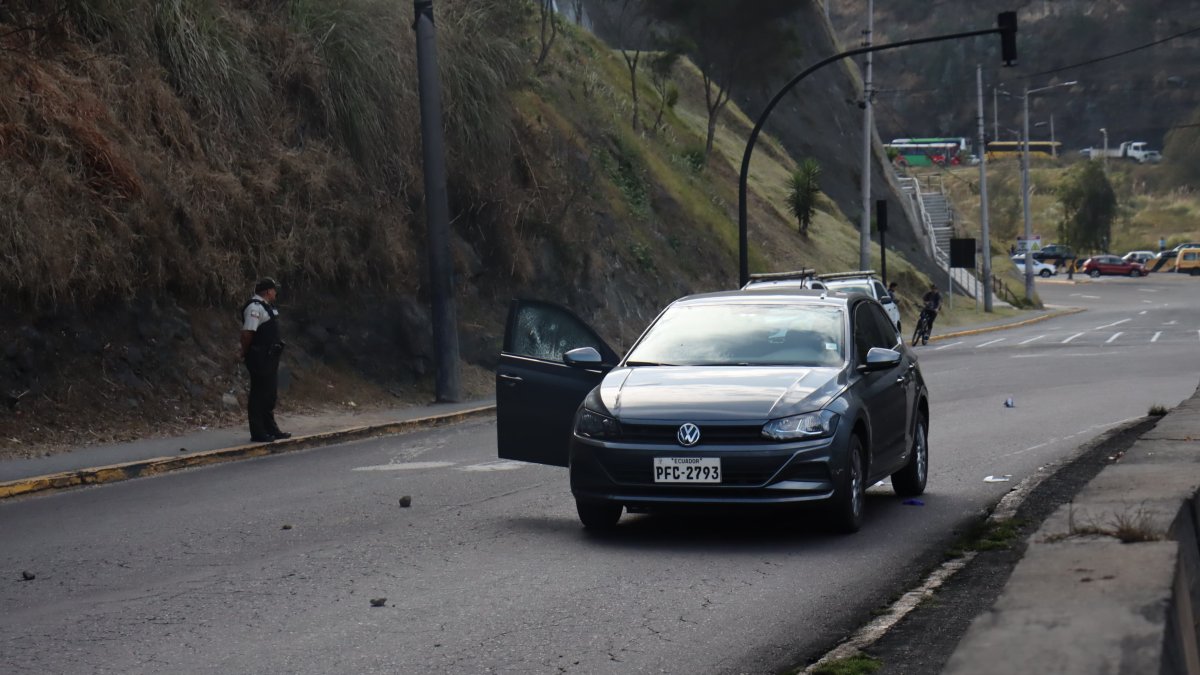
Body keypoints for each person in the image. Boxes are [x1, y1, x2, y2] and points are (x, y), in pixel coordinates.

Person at [240, 278, 290, 442]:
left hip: (270, 356)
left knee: (269, 394)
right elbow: (248, 333)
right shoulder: (255, 308)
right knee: (258, 394)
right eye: (274, 290)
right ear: (268, 291)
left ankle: (271, 429)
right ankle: (258, 432)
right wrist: (245, 352)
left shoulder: (267, 307)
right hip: (259, 356)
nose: (276, 292)